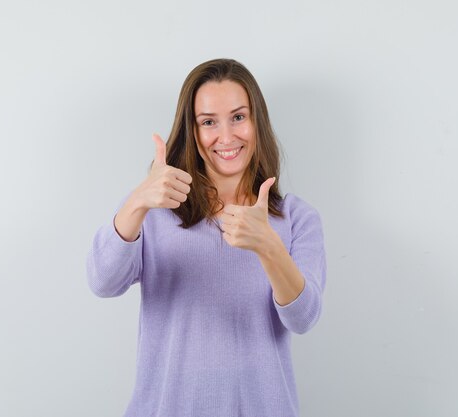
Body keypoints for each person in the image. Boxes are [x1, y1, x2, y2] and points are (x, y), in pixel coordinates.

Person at [86, 58, 326, 417]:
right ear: (192, 130)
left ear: (257, 121)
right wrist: (137, 202)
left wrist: (267, 245)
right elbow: (103, 282)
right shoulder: (155, 207)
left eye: (239, 117)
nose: (226, 137)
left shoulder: (297, 218)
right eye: (209, 122)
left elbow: (303, 318)